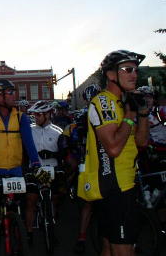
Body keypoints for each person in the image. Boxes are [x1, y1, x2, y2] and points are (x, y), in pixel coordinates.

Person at [78, 50, 149, 256]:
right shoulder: (104, 102)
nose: (134, 74)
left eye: (136, 69)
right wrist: (129, 116)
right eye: (127, 69)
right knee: (123, 249)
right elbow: (114, 148)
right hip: (116, 186)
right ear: (110, 75)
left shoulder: (122, 102)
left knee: (109, 247)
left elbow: (142, 142)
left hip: (124, 182)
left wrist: (142, 113)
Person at [0, 79, 48, 256]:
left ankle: (22, 231)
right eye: (9, 92)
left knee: (23, 208)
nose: (13, 95)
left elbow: (29, 143)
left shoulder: (21, 117)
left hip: (16, 170)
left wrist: (37, 165)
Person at [66, 84, 101, 254]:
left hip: (104, 160)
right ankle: (81, 236)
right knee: (88, 202)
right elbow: (74, 141)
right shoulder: (82, 118)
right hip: (87, 160)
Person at [26, 100, 64, 244]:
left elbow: (63, 153)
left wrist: (53, 155)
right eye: (35, 115)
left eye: (39, 115)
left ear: (48, 114)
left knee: (54, 199)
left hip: (52, 169)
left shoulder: (58, 131)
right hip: (34, 169)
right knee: (31, 200)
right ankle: (29, 232)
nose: (36, 117)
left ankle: (51, 226)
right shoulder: (29, 130)